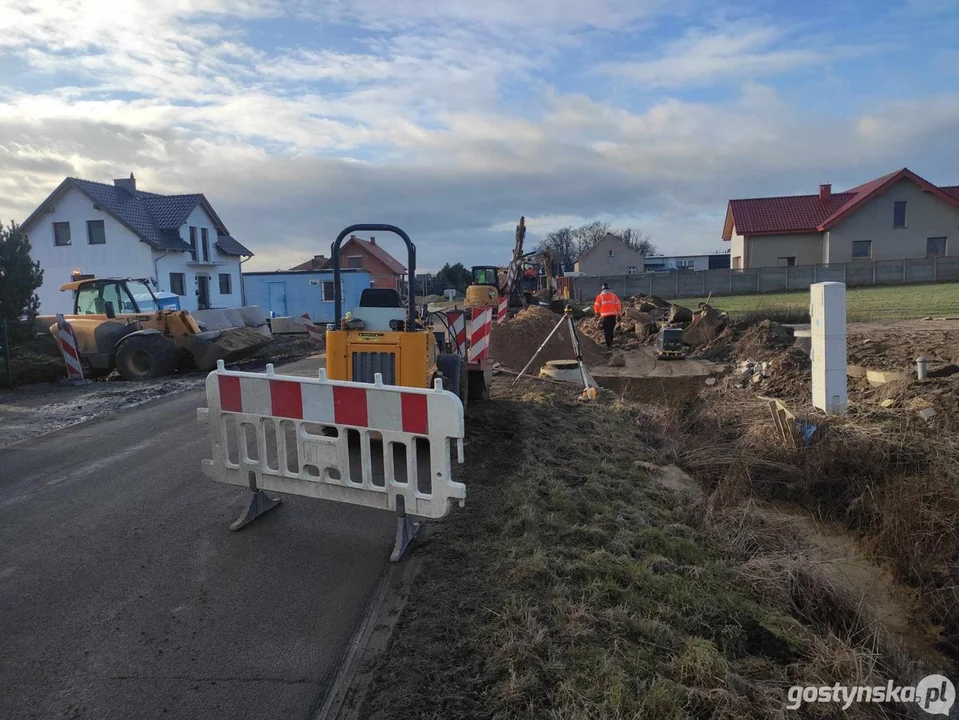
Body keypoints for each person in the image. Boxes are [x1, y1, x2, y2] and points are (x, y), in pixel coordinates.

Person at [593, 283, 622, 349]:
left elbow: (596, 306)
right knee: (611, 330)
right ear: (608, 289)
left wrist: (597, 313)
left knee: (606, 330)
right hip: (613, 316)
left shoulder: (599, 296)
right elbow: (618, 305)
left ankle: (608, 345)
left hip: (605, 317)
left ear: (602, 289)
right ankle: (611, 343)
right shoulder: (613, 296)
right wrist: (619, 315)